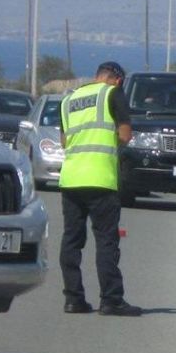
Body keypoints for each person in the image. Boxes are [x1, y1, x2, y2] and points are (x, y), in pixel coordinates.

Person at [59, 61, 142, 317]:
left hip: (71, 178)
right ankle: (111, 300)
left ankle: (73, 299)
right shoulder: (112, 94)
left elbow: (64, 141)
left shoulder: (68, 100)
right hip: (100, 178)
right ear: (117, 79)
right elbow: (126, 135)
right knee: (106, 240)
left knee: (72, 240)